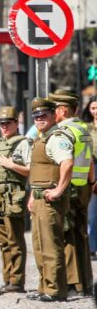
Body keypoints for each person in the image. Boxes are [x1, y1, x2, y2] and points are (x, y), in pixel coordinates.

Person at [26, 97, 71, 302]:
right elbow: (36, 172)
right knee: (39, 245)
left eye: (44, 115)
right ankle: (45, 285)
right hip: (38, 198)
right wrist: (31, 197)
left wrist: (59, 190)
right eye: (36, 117)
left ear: (54, 115)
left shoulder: (57, 137)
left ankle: (55, 290)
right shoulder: (41, 138)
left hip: (50, 199)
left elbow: (67, 164)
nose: (40, 120)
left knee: (50, 245)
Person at [49, 89, 94, 297]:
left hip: (69, 187)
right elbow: (90, 160)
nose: (52, 113)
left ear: (63, 110)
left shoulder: (64, 131)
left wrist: (59, 188)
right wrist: (92, 181)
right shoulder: (83, 128)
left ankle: (71, 283)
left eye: (54, 108)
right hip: (84, 186)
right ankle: (86, 283)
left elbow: (66, 163)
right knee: (81, 234)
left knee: (67, 235)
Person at [0, 106, 30, 295]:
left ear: (16, 124)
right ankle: (7, 279)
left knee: (15, 240)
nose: (4, 127)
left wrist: (12, 165)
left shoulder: (23, 143)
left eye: (8, 123)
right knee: (3, 241)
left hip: (13, 196)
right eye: (2, 124)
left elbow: (31, 169)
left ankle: (17, 281)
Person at [82, 95, 97, 261]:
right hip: (92, 168)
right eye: (93, 108)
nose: (95, 111)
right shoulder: (86, 128)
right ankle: (92, 247)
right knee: (92, 212)